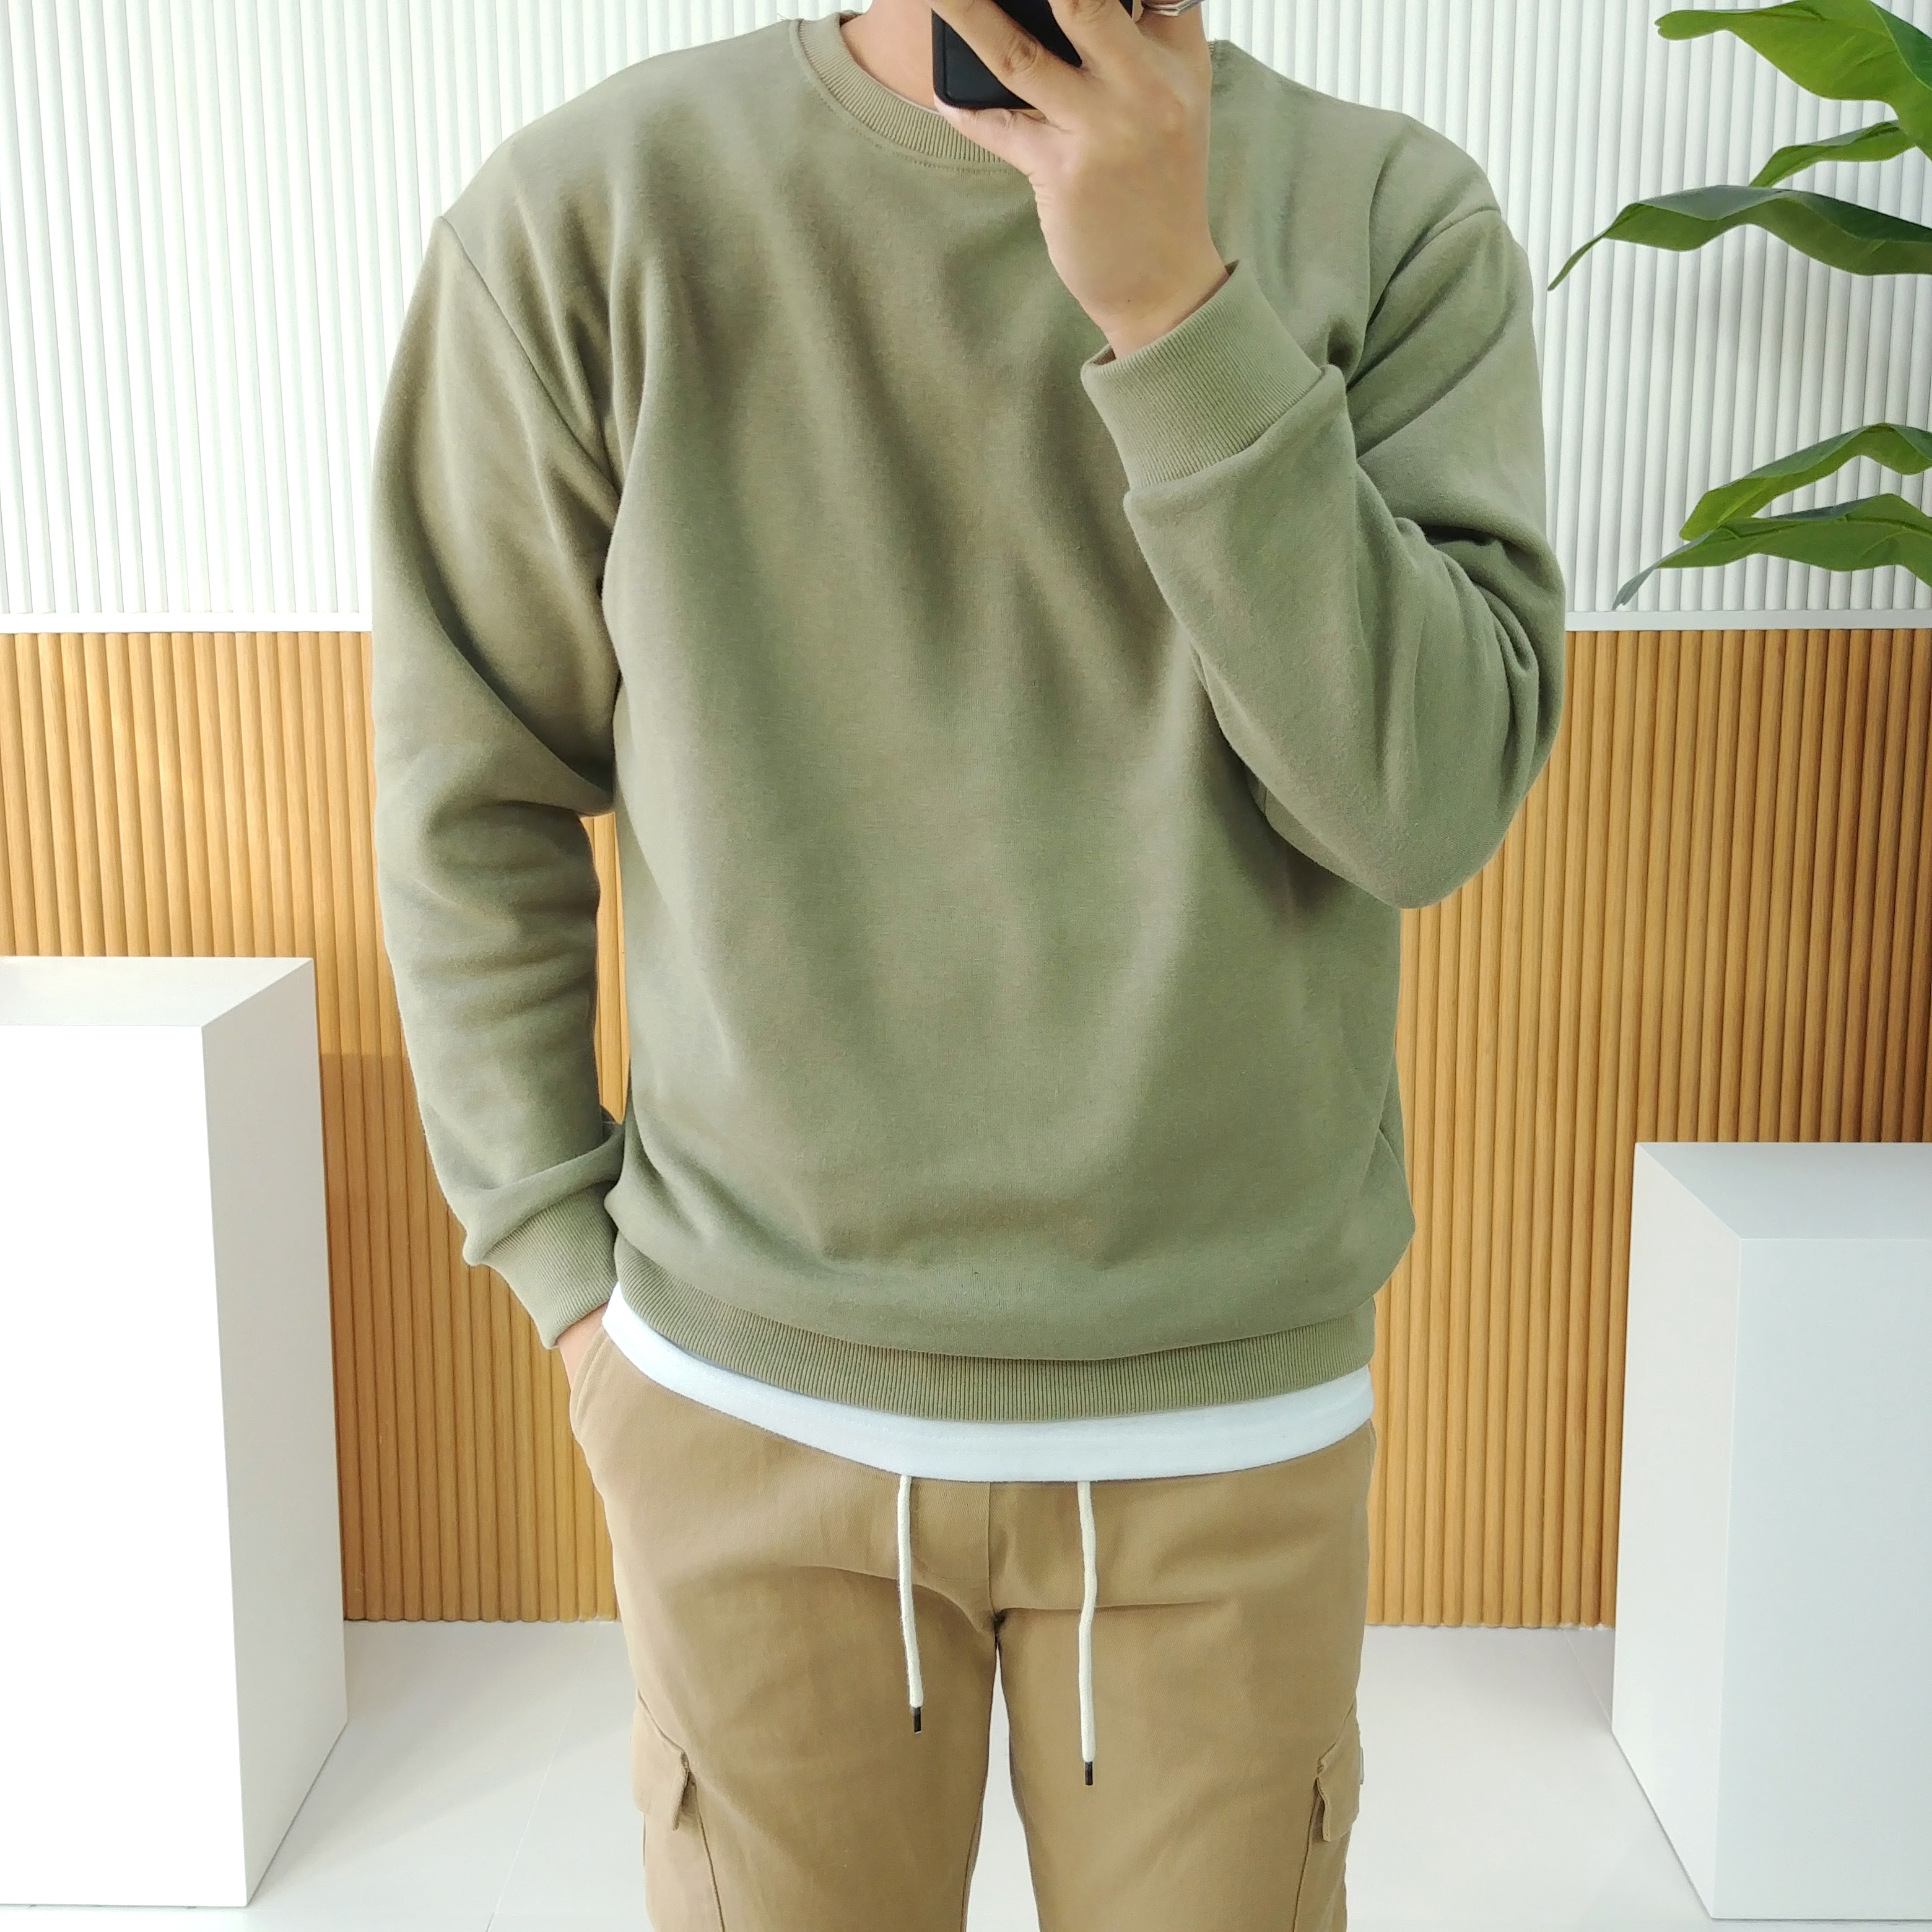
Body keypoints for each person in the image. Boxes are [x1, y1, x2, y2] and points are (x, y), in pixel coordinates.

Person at [368, 0, 1566, 1921]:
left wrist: (1175, 311)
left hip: (1219, 1426)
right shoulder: (596, 214)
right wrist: (570, 1291)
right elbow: (470, 796)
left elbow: (1422, 810)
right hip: (745, 1406)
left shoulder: (1389, 215)